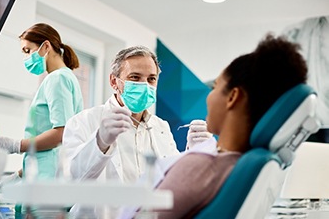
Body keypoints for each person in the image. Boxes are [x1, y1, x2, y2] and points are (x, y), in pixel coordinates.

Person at [120, 33, 309, 219]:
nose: (208, 97)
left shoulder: (200, 167)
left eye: (214, 87)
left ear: (233, 97)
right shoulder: (240, 164)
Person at [62, 45, 212, 218]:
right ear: (114, 81)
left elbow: (172, 181)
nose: (144, 85)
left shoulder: (161, 127)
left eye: (151, 79)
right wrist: (100, 142)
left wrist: (193, 153)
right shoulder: (84, 121)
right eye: (135, 77)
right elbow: (73, 180)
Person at [0, 23, 83, 213]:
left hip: (44, 190)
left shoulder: (57, 79)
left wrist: (17, 145)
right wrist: (18, 175)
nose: (26, 58)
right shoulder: (67, 78)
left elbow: (61, 134)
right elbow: (50, 154)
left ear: (46, 46)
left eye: (28, 50)